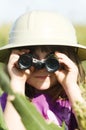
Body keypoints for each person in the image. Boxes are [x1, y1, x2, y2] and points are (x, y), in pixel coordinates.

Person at [0, 10, 86, 130]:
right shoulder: (9, 99)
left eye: (52, 61)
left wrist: (70, 86)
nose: (42, 69)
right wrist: (17, 82)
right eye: (30, 59)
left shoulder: (75, 99)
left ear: (68, 60)